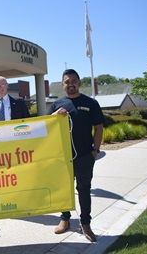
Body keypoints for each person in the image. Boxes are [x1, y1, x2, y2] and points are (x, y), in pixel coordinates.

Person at [48, 69, 104, 242]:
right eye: (66, 81)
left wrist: (95, 150)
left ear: (79, 82)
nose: (70, 84)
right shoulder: (57, 105)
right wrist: (54, 116)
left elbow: (99, 127)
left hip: (85, 156)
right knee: (64, 189)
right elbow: (46, 127)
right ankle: (65, 219)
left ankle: (86, 224)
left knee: (84, 189)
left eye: (73, 80)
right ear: (62, 85)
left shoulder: (90, 103)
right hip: (63, 157)